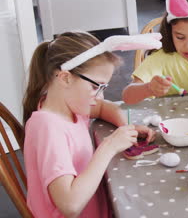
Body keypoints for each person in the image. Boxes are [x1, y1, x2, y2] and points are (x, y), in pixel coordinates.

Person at [22, 32, 157, 217]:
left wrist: (126, 126)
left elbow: (102, 107)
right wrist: (109, 146)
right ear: (65, 78)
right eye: (96, 87)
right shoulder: (47, 127)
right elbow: (70, 205)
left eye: (104, 88)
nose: (100, 96)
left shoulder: (66, 103)